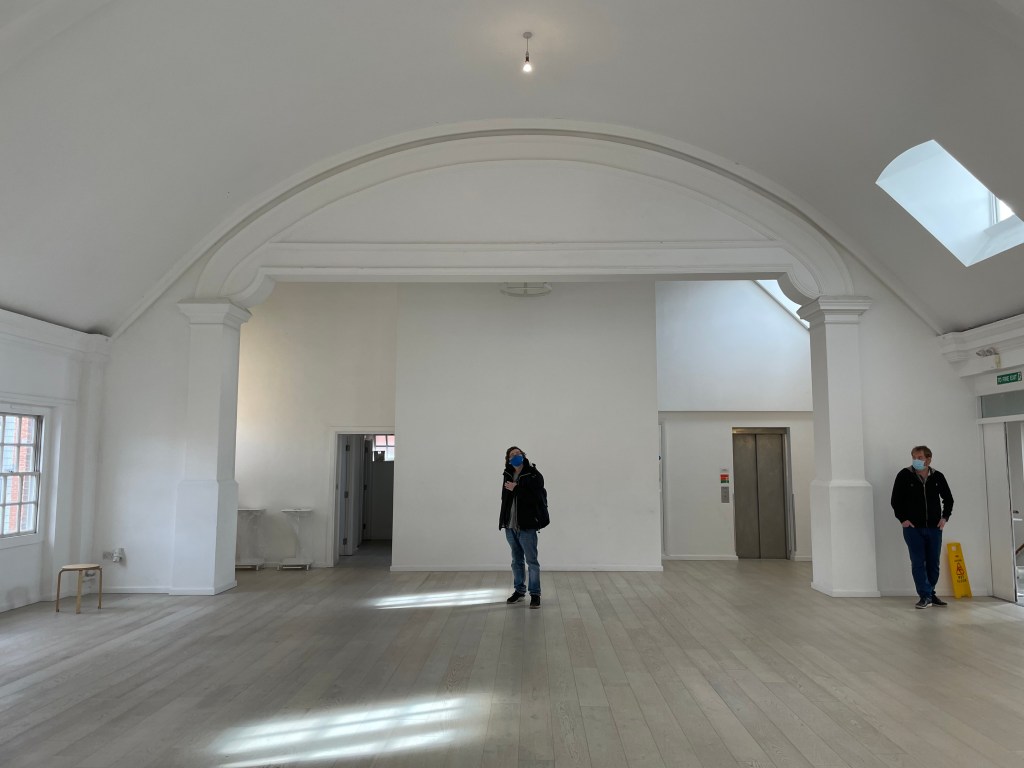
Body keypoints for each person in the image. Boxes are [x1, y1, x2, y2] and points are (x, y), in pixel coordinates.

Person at [891, 445, 954, 609]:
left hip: (934, 528)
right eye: (914, 457)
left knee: (933, 563)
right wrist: (903, 519)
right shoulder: (904, 475)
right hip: (913, 529)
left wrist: (945, 517)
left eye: (920, 457)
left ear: (928, 459)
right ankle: (925, 596)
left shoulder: (937, 476)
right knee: (918, 562)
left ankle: (930, 593)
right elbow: (895, 500)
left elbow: (948, 499)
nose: (916, 460)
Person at [499, 446, 549, 608]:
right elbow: (505, 500)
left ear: (523, 455)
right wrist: (503, 521)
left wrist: (517, 488)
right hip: (510, 525)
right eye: (512, 455)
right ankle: (519, 591)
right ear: (508, 460)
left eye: (518, 453)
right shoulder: (507, 474)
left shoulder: (533, 474)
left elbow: (537, 497)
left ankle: (535, 594)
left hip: (527, 525)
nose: (516, 456)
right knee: (516, 561)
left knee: (532, 561)